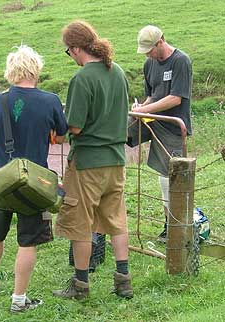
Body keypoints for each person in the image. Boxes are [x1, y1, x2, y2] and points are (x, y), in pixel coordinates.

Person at [0, 45, 68, 313]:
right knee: (28, 241)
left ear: (11, 71)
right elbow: (61, 136)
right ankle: (19, 299)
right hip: (34, 184)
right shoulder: (50, 100)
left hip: (3, 178)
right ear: (35, 69)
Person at [53, 20, 133, 300]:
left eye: (68, 51)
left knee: (80, 223)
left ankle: (81, 284)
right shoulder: (118, 72)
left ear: (76, 49)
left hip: (88, 162)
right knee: (116, 219)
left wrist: (57, 126)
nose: (70, 56)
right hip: (117, 159)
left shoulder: (82, 79)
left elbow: (74, 126)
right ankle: (123, 280)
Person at [127, 25, 192, 239]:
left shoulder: (181, 61)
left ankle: (172, 226)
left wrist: (145, 109)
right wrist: (139, 109)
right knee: (120, 131)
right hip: (152, 119)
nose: (148, 54)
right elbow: (151, 95)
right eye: (145, 51)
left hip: (173, 126)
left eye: (150, 49)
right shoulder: (149, 64)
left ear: (161, 41)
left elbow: (176, 98)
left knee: (168, 177)